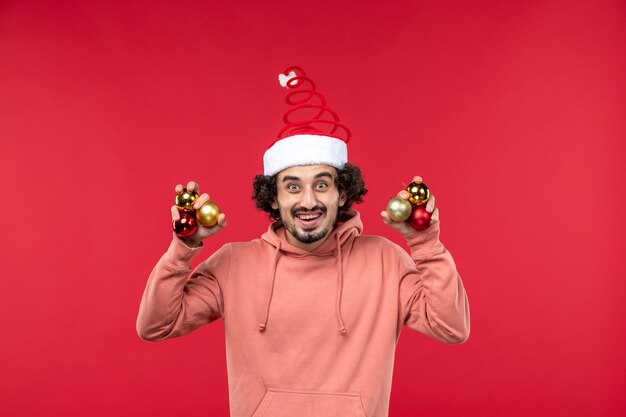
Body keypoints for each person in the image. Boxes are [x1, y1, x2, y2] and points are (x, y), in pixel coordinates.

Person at [136, 67, 470, 417]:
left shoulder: (385, 261)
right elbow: (156, 325)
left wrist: (426, 245)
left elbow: (452, 327)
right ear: (274, 199)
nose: (308, 200)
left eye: (322, 185)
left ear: (343, 194)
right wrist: (183, 249)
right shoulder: (234, 263)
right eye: (293, 186)